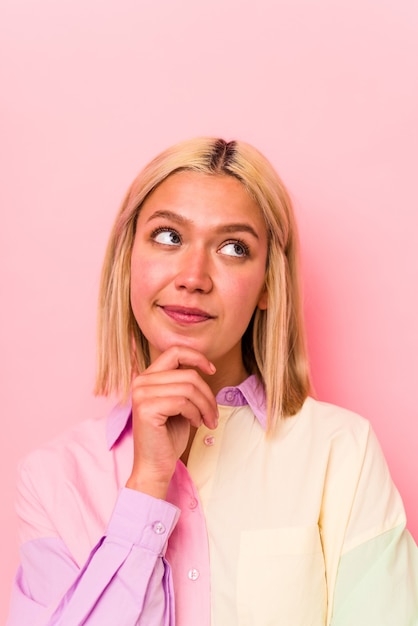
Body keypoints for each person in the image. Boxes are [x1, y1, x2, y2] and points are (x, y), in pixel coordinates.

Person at [7, 137, 418, 625]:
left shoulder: (341, 451)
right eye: (168, 237)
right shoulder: (53, 479)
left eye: (233, 247)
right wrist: (145, 489)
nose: (193, 276)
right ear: (129, 261)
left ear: (268, 283)